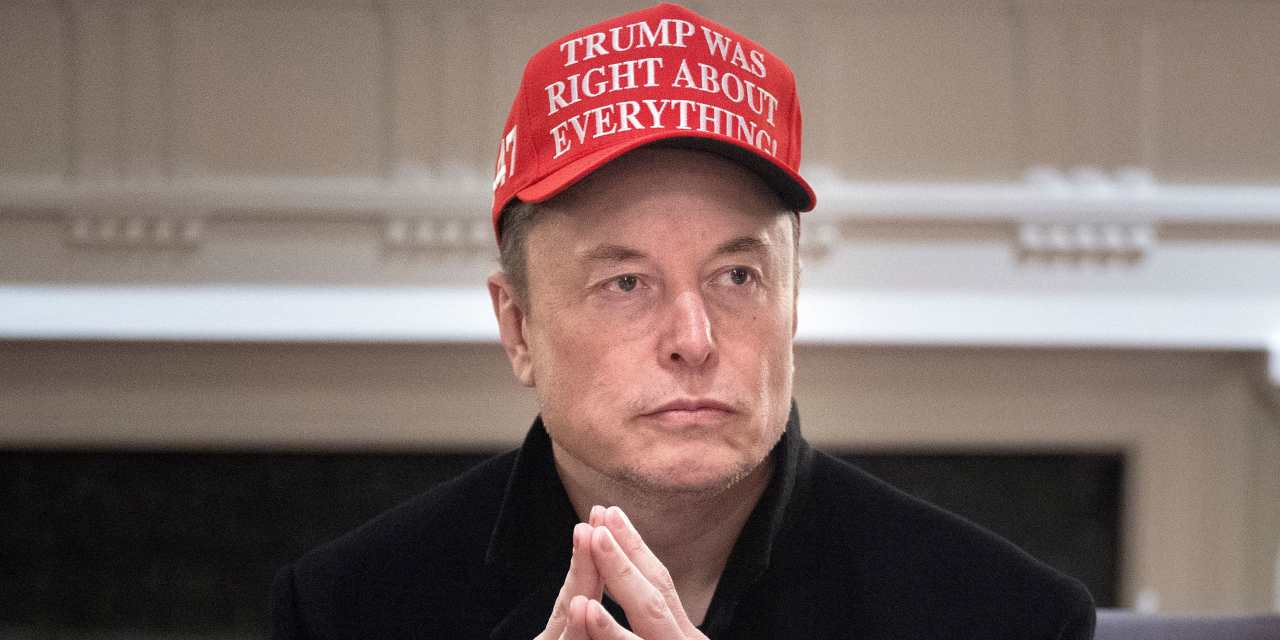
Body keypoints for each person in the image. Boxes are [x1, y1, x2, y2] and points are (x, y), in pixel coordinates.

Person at [271, 4, 1096, 638]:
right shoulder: (348, 608)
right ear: (518, 330)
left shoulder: (1005, 617)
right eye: (626, 283)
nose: (693, 341)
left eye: (737, 276)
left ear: (793, 303)